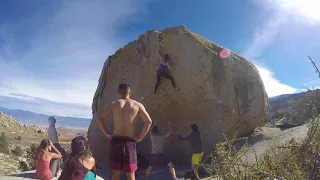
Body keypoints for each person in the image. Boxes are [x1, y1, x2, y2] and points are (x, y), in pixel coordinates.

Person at [96, 83, 152, 180]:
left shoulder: (114, 104)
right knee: (130, 174)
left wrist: (107, 133)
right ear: (130, 93)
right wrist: (140, 137)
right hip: (129, 142)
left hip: (116, 141)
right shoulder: (137, 105)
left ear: (118, 92)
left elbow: (99, 118)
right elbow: (149, 121)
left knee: (116, 173)